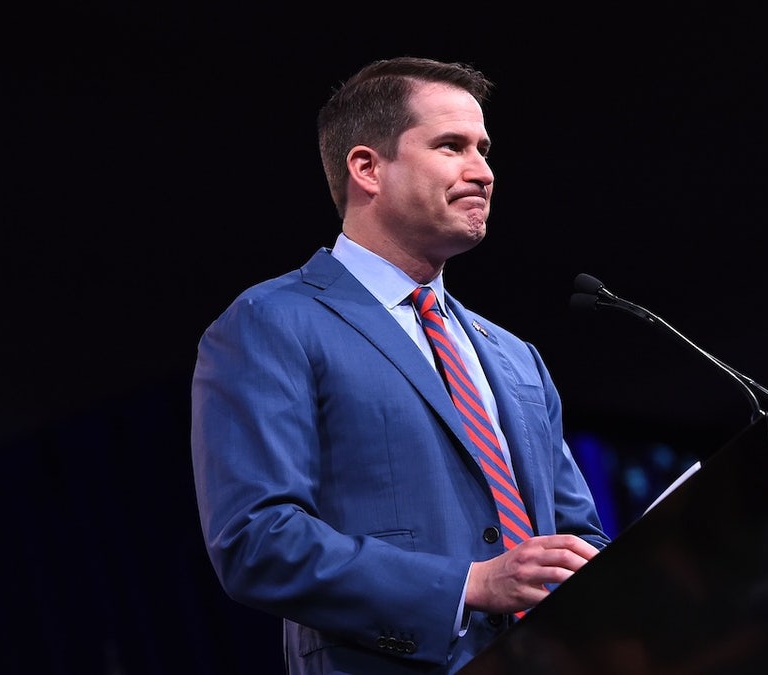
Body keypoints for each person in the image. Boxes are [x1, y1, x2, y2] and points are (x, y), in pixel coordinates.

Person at [190, 56, 612, 674]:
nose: (484, 171)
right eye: (452, 146)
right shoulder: (272, 322)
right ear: (367, 168)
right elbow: (257, 541)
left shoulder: (515, 356)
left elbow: (578, 535)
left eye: (485, 149)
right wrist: (466, 585)